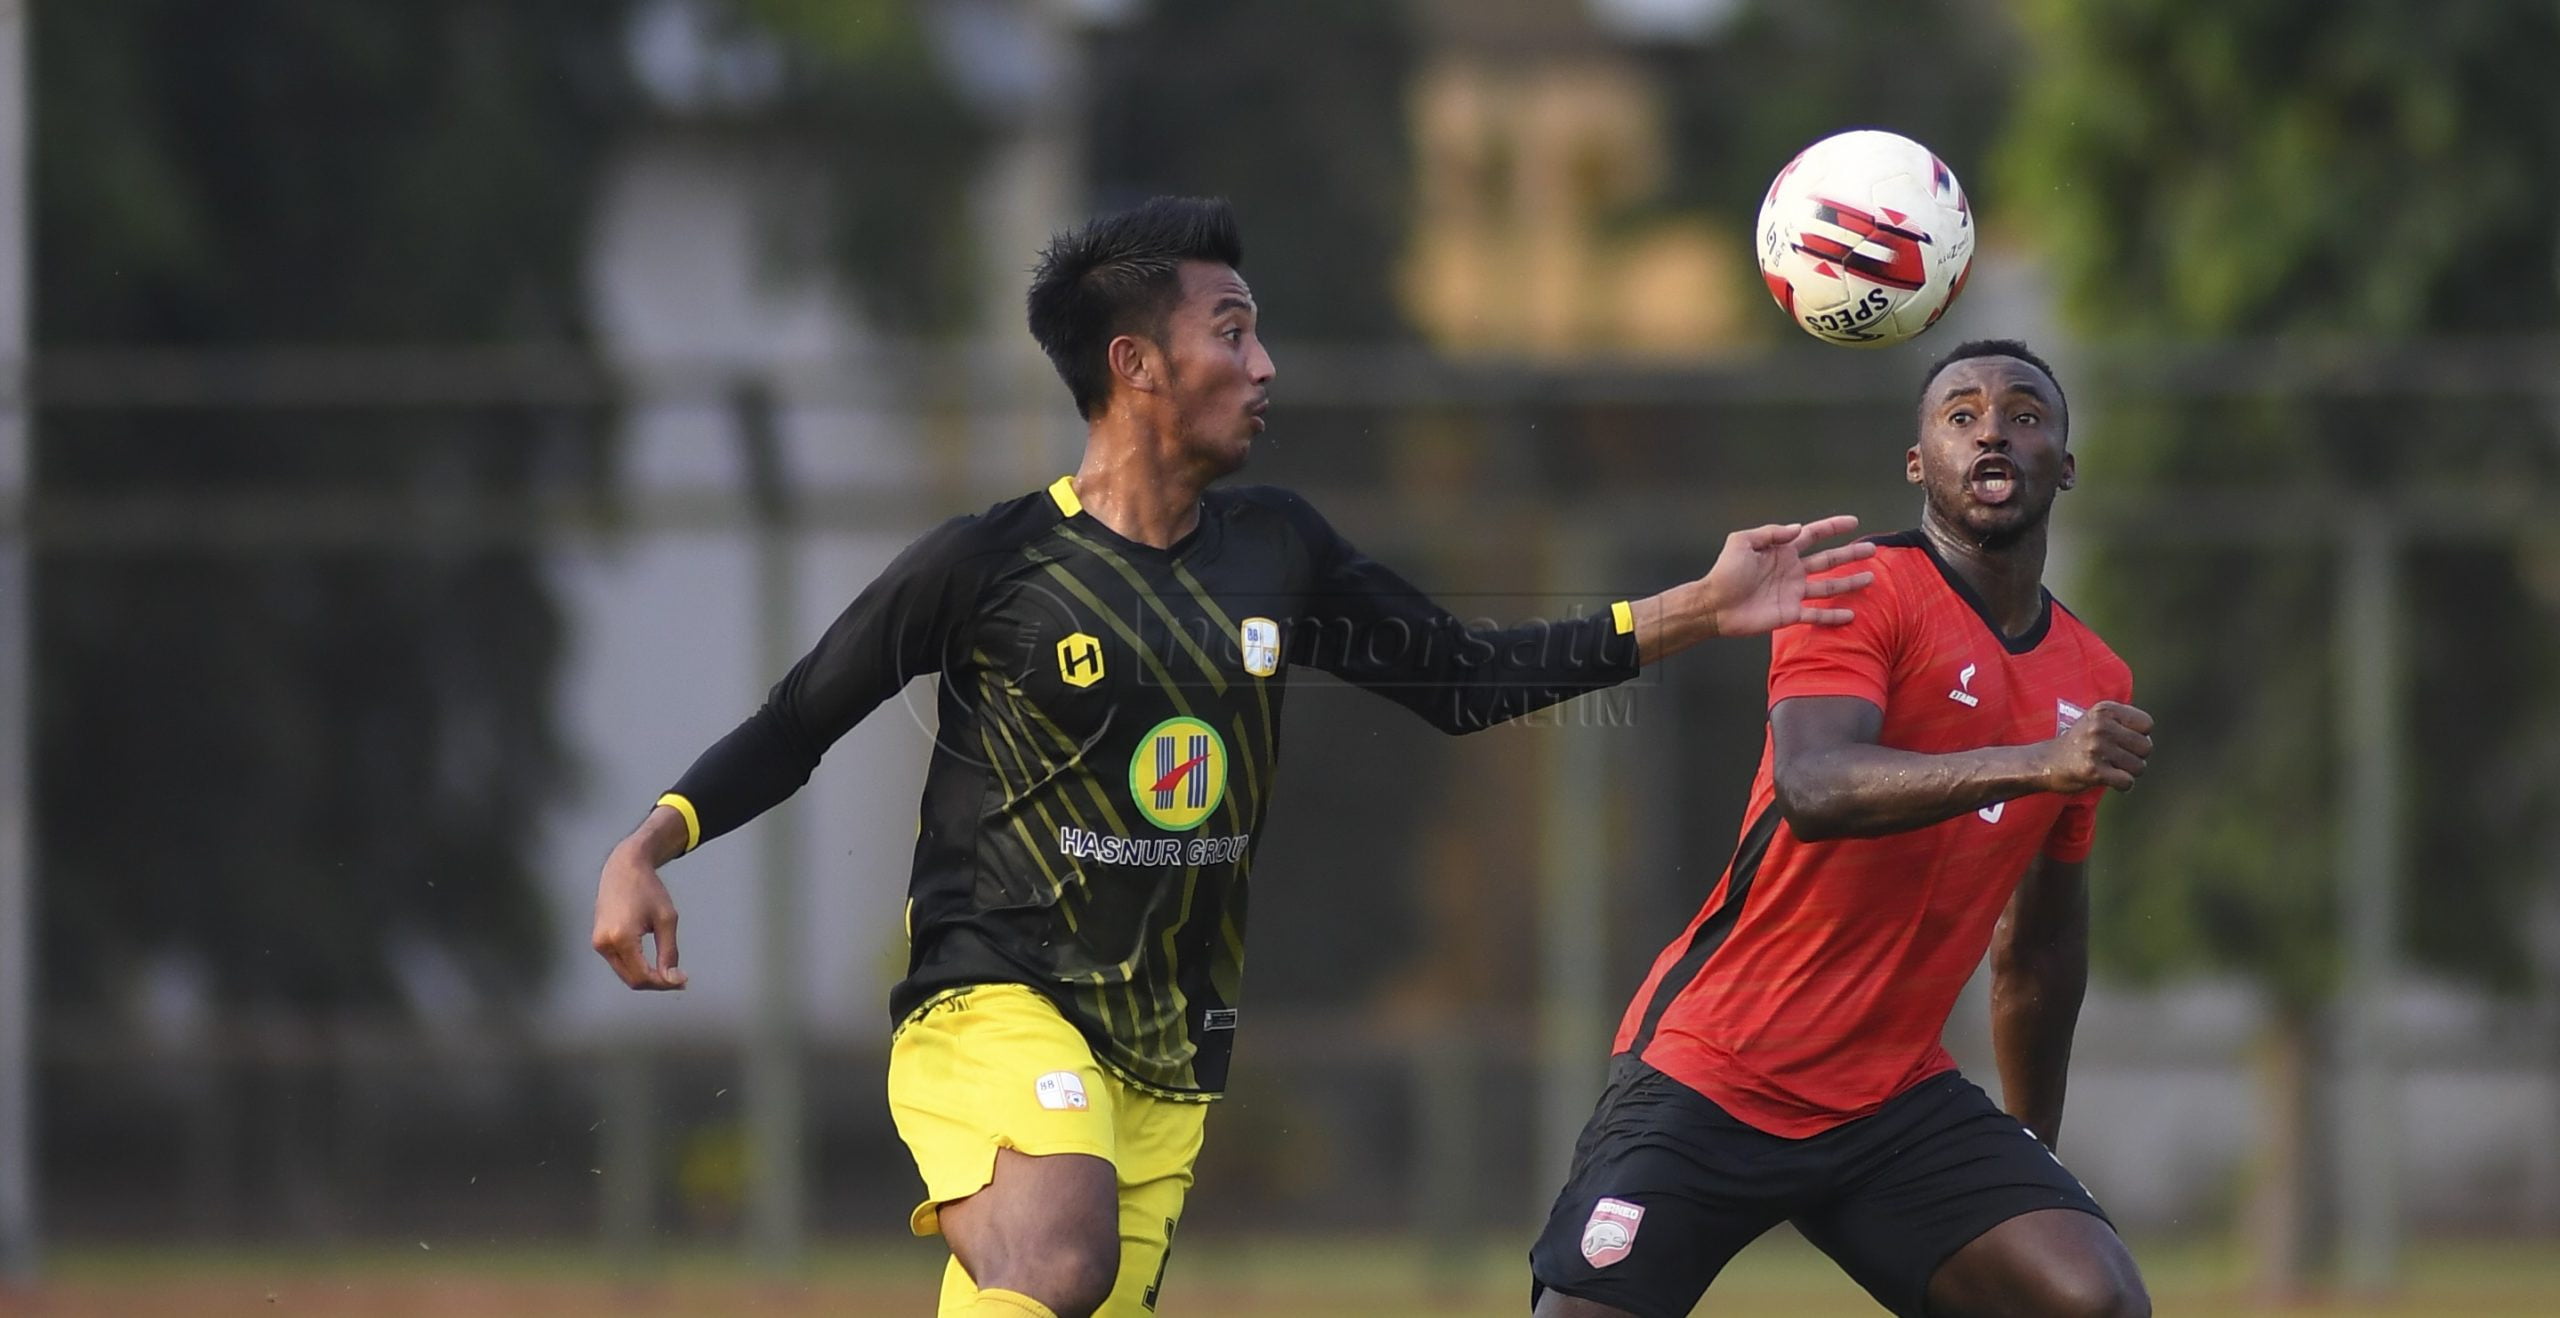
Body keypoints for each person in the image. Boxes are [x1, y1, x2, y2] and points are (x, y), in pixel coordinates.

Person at [590, 195, 1874, 1318]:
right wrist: (651, 842)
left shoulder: (1279, 547)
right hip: (993, 999)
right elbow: (799, 716)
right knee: (1057, 1250)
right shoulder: (990, 565)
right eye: (1234, 332)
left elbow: (1461, 678)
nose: (1265, 365)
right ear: (1136, 363)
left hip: (1168, 1044)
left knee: (1047, 1289)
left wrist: (1695, 611)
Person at [1529, 340, 2156, 1318]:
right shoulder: (1854, 587)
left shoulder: (2092, 677)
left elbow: (2035, 950)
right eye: (1959, 414)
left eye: (2024, 414)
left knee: (2086, 1298)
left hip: (1891, 1097)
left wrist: (2027, 1155)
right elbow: (1814, 785)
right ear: (1917, 462)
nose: (1991, 426)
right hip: (1719, 1065)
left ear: (2064, 464)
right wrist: (2039, 760)